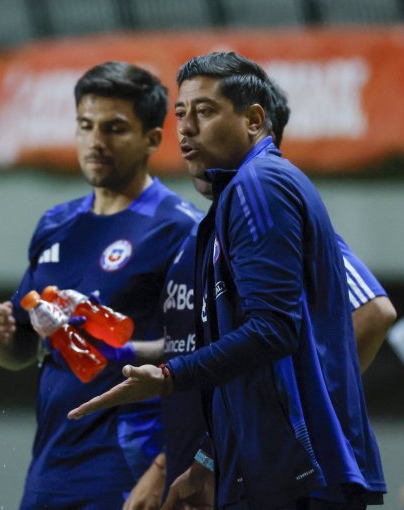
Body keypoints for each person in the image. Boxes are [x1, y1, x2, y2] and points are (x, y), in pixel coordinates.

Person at [69, 52, 386, 509]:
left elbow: (275, 331)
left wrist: (167, 378)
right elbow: (248, 360)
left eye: (205, 111)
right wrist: (206, 457)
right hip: (267, 472)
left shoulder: (261, 187)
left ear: (255, 119)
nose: (186, 128)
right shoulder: (238, 198)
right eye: (181, 113)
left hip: (298, 478)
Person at [0, 61, 201, 509]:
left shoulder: (180, 229)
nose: (96, 142)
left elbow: (203, 354)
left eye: (115, 129)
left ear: (153, 139)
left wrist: (166, 466)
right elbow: (23, 348)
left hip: (132, 464)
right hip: (52, 464)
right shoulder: (55, 224)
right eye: (86, 125)